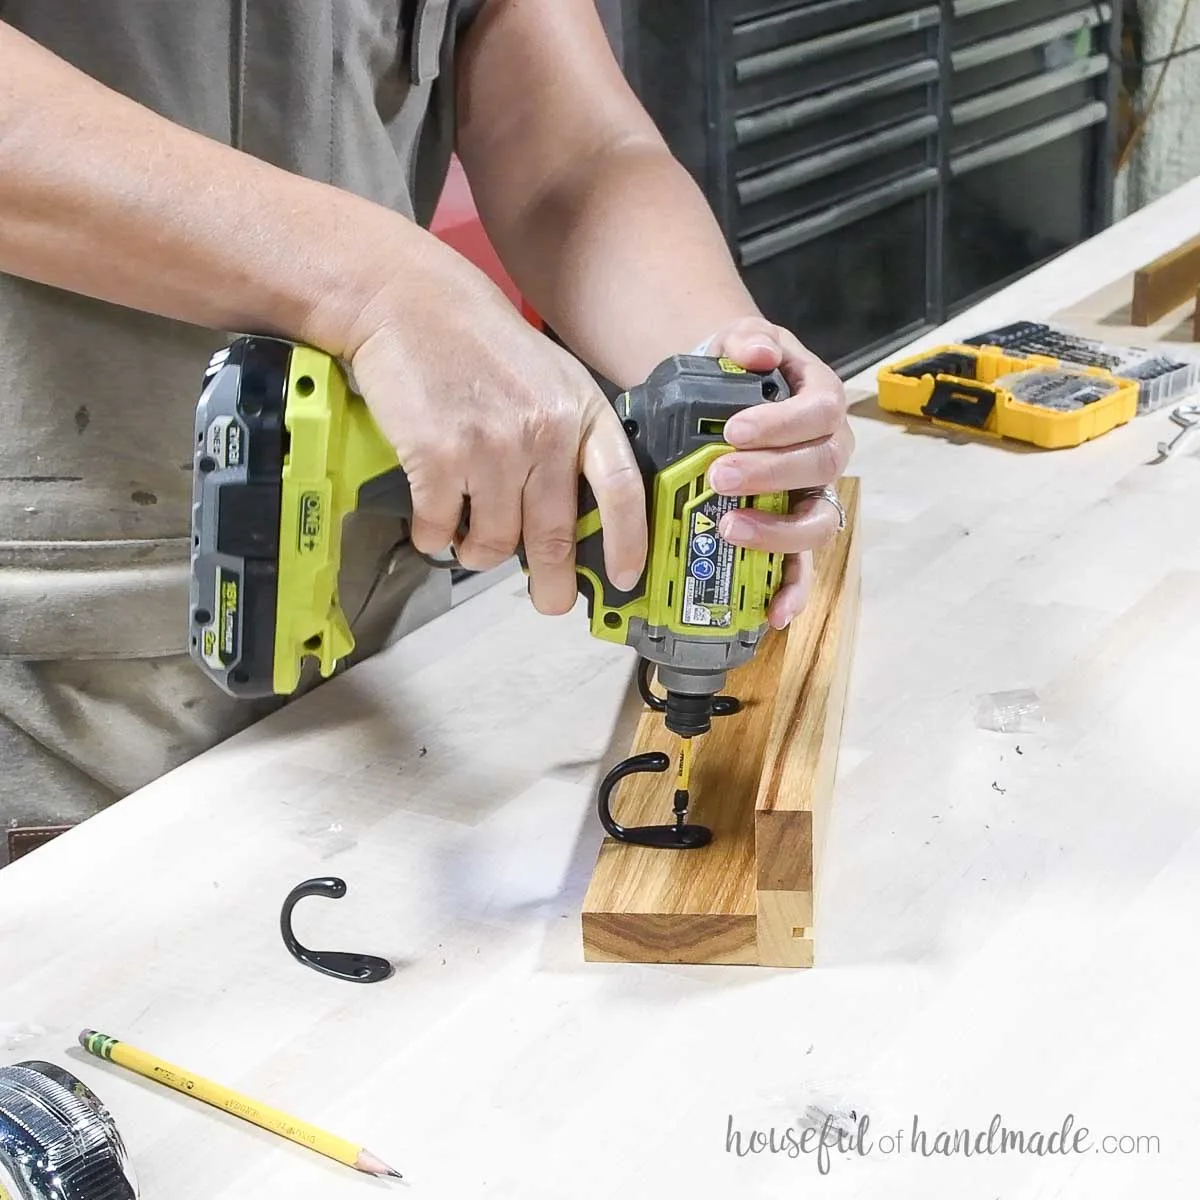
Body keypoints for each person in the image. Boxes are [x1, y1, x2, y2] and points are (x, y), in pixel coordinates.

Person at [0, 0, 854, 865]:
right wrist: (376, 286)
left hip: (381, 658)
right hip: (51, 710)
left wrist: (728, 394)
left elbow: (576, 157)